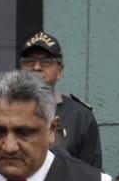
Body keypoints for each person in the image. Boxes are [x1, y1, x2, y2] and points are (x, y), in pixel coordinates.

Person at [18, 32, 102, 169]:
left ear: (59, 71)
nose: (36, 67)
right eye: (29, 61)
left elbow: (92, 174)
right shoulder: (5, 110)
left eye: (46, 61)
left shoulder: (80, 116)